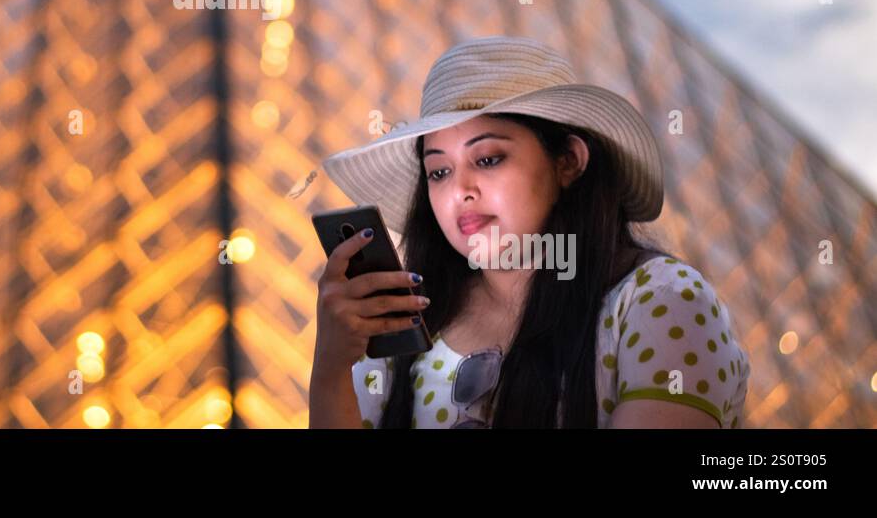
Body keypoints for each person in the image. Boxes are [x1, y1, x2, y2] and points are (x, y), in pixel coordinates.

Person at [308, 35, 751, 428]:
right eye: (438, 170)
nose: (460, 190)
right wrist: (331, 367)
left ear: (568, 163)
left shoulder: (660, 300)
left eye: (487, 159)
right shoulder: (402, 336)